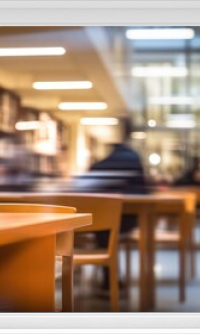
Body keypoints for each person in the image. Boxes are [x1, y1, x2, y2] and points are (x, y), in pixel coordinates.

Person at [77, 118, 147, 291]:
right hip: (126, 215)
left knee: (102, 227)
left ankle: (109, 278)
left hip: (117, 217)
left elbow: (90, 179)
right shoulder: (132, 157)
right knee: (104, 225)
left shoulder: (119, 159)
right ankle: (111, 279)